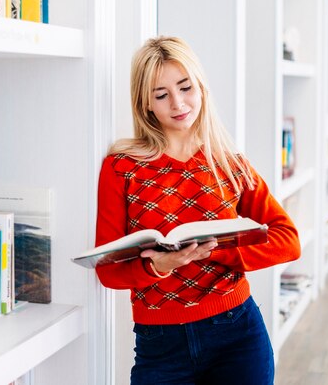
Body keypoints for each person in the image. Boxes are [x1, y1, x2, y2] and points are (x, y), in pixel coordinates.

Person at [95, 36, 301, 385]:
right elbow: (107, 271)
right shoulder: (121, 168)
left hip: (238, 334)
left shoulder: (229, 163)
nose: (178, 103)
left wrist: (221, 250)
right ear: (146, 104)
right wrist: (156, 267)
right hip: (160, 345)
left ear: (201, 87)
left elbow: (288, 240)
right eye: (161, 95)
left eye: (185, 87)